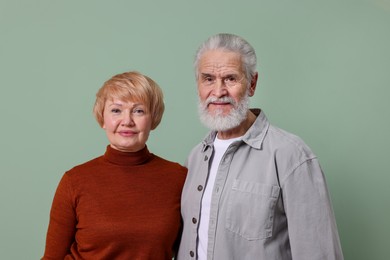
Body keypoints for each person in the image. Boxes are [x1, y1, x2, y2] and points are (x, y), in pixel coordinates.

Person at [177, 33, 344, 260]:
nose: (218, 91)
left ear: (252, 84)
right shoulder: (195, 157)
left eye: (230, 79)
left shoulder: (291, 156)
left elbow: (319, 254)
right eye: (208, 79)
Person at [42, 71, 187, 259]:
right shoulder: (74, 181)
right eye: (116, 110)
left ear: (153, 119)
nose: (127, 121)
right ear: (103, 119)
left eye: (138, 111)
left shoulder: (179, 178)